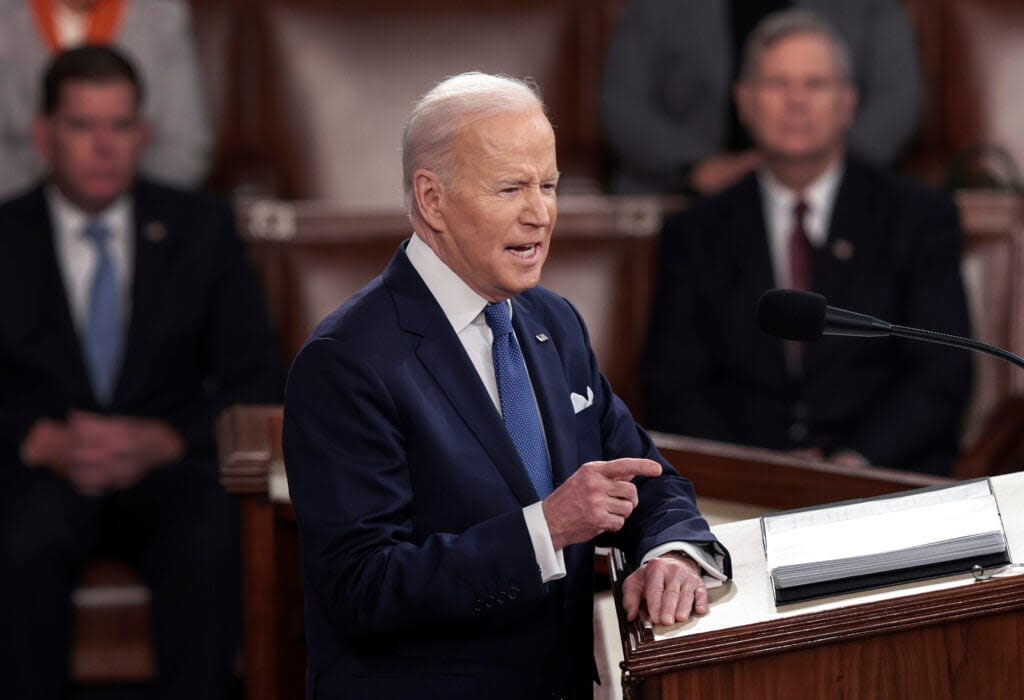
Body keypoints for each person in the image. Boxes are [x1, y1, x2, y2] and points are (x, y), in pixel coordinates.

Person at [282, 72, 730, 699]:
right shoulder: (346, 362)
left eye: (548, 185)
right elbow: (364, 587)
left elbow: (645, 480)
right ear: (432, 200)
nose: (541, 213)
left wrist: (672, 554)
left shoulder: (554, 323)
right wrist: (543, 531)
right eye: (511, 188)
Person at [0, 46, 282, 698]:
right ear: (44, 137)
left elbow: (259, 374)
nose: (104, 147)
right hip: (40, 467)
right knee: (18, 541)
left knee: (212, 530)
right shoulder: (7, 236)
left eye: (120, 126)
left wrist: (165, 439)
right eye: (82, 126)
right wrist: (38, 439)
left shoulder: (201, 228)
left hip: (163, 465)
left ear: (143, 135)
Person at [640, 9, 971, 476]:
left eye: (815, 84)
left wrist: (850, 465)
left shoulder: (918, 218)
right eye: (777, 84)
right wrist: (763, 472)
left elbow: (942, 374)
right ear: (744, 101)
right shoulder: (693, 234)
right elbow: (672, 387)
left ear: (847, 103)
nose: (796, 101)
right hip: (740, 488)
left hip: (883, 481)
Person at [601, 0, 923, 195]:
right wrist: (698, 167)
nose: (795, 98)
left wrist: (819, 168)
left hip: (837, 186)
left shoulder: (870, 8)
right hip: (689, 191)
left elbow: (898, 99)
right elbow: (623, 105)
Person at [0, 0, 211, 198]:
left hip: (137, 211)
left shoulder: (161, 13)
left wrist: (132, 218)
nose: (103, 144)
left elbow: (184, 147)